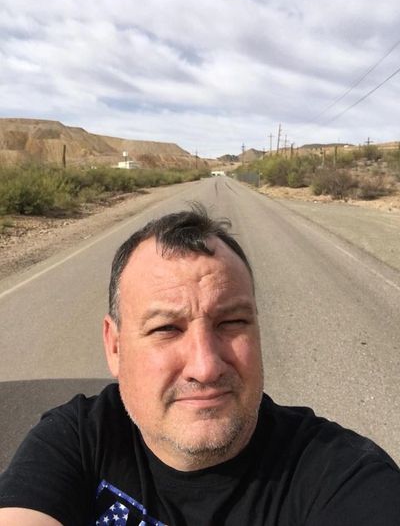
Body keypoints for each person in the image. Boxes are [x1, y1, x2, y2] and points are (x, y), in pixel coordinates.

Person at [0, 205, 399, 526]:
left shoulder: (339, 475)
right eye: (166, 328)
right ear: (115, 346)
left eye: (232, 323)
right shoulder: (79, 440)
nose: (206, 367)